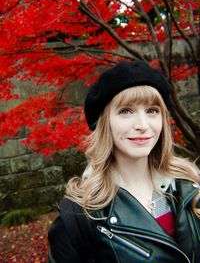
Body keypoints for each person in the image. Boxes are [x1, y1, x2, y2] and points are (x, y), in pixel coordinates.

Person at [48, 60, 200, 263]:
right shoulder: (80, 217)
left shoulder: (190, 185)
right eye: (125, 111)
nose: (142, 125)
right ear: (104, 124)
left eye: (152, 111)